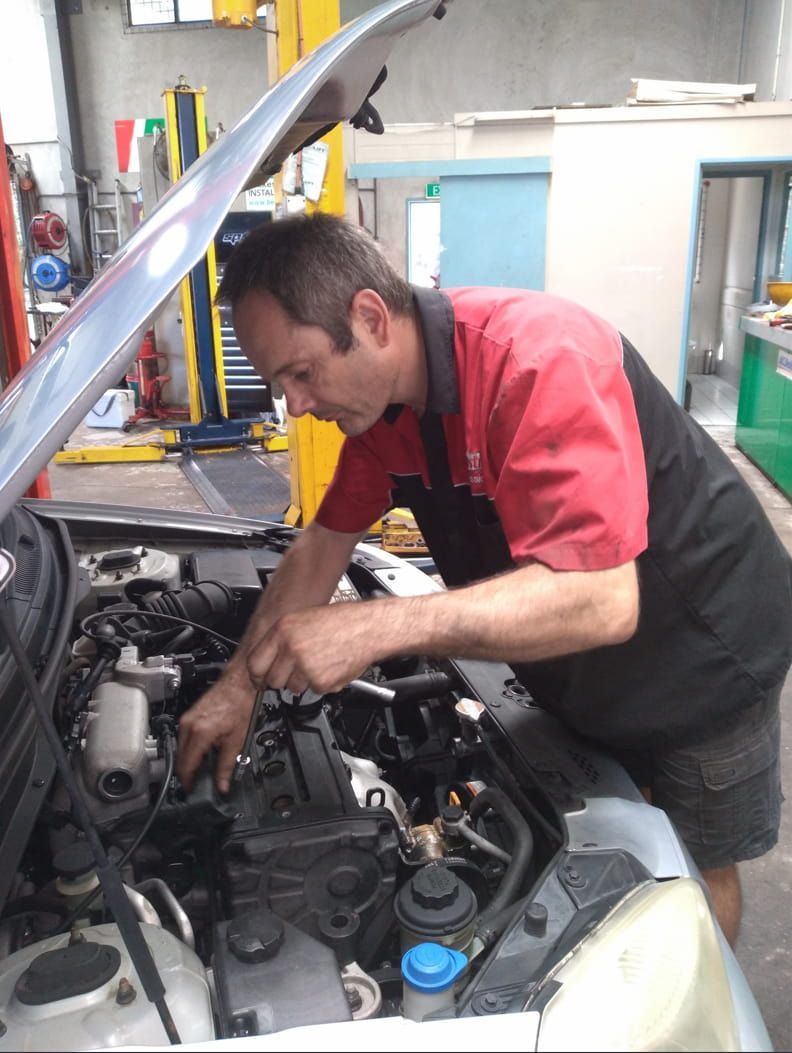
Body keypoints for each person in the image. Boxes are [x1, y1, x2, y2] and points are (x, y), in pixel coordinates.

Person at [176, 212, 791, 946]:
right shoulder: (380, 417)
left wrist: (370, 628)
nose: (298, 406)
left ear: (370, 318)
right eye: (281, 384)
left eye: (302, 373)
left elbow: (600, 598)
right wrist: (239, 685)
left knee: (688, 872)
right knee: (611, 842)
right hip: (584, 669)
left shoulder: (539, 360)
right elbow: (321, 546)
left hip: (705, 649)